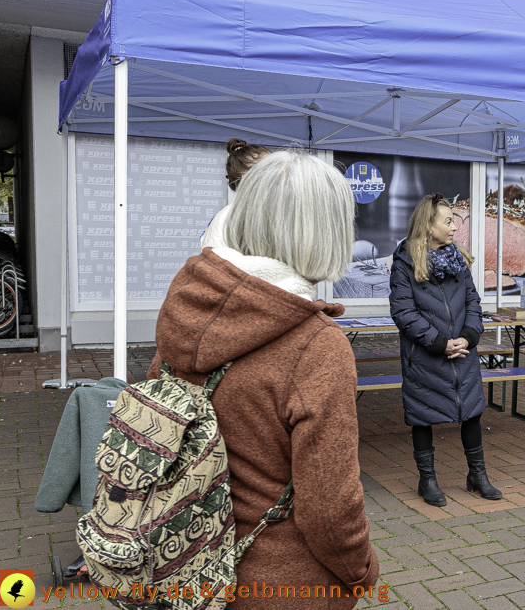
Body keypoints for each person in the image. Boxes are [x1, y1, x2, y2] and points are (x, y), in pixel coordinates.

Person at [149, 151, 379, 607]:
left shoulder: (188, 309)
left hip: (182, 565)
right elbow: (329, 507)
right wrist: (362, 571)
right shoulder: (315, 345)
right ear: (327, 231)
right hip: (280, 582)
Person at [389, 193, 501, 507]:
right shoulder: (404, 264)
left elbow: (473, 304)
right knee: (422, 416)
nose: (454, 227)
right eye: (448, 221)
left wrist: (469, 336)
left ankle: (477, 475)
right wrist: (440, 343)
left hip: (463, 353)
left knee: (472, 413)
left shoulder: (458, 261)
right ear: (428, 225)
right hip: (425, 356)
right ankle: (427, 480)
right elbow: (403, 312)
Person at [200, 138, 270, 250]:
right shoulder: (227, 220)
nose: (280, 174)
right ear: (248, 177)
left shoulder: (272, 214)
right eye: (271, 169)